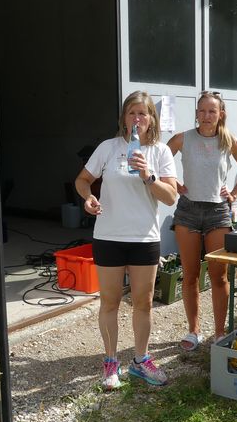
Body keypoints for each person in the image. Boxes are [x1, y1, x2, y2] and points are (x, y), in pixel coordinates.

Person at [75, 90, 178, 390]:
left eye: (142, 113)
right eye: (131, 113)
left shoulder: (160, 152)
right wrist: (88, 197)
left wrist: (149, 175)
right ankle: (111, 362)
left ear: (151, 119)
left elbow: (170, 197)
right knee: (110, 302)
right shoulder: (108, 148)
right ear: (124, 118)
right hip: (109, 236)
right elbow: (82, 180)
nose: (137, 119)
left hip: (144, 239)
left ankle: (141, 360)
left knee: (143, 303)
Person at [167, 91, 237, 350]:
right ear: (196, 113)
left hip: (218, 212)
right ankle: (193, 331)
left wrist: (234, 193)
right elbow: (159, 162)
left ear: (221, 114)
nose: (206, 116)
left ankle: (218, 333)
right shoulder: (182, 138)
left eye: (212, 111)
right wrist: (174, 184)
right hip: (188, 212)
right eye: (202, 110)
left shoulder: (229, 141)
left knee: (219, 276)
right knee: (190, 275)